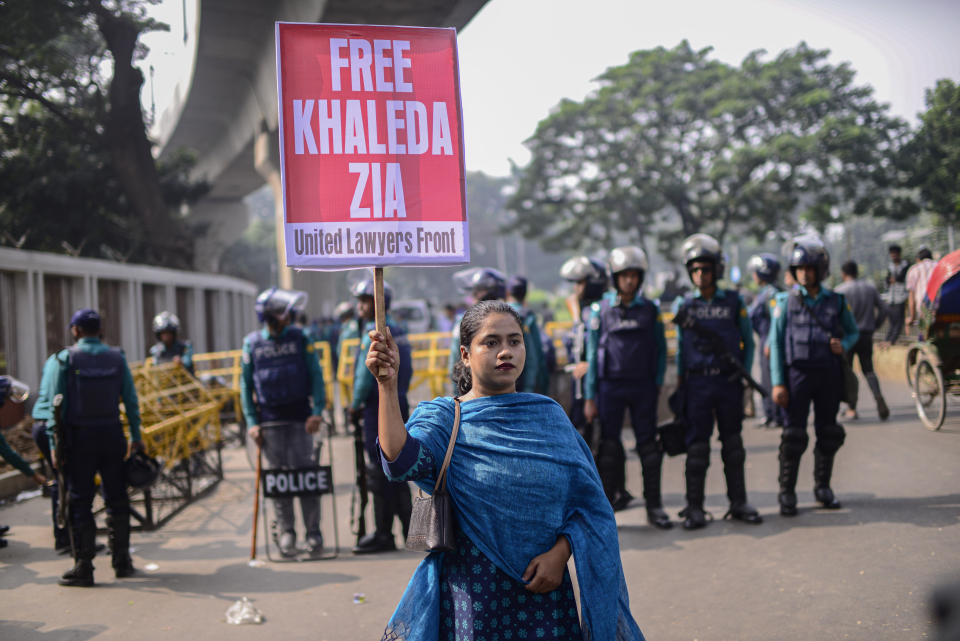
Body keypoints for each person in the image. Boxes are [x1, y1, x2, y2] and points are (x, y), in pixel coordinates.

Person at [365, 300, 646, 641]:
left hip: (546, 598)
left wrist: (561, 554)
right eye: (491, 342)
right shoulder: (444, 420)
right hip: (473, 597)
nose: (505, 352)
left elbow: (589, 507)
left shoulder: (549, 417)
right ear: (466, 355)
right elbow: (400, 461)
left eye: (514, 341)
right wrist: (387, 386)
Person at [673, 234, 762, 529]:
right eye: (695, 270)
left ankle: (738, 502)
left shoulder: (734, 301)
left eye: (706, 270)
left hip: (728, 383)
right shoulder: (683, 304)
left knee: (733, 445)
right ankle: (694, 507)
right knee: (697, 448)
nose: (701, 275)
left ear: (716, 271)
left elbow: (748, 341)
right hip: (697, 385)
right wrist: (681, 383)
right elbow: (681, 348)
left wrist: (744, 373)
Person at [48, 309, 143, 586]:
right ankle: (122, 562)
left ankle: (84, 566)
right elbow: (131, 400)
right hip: (113, 435)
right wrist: (136, 435)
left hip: (80, 440)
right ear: (100, 330)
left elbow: (57, 406)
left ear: (76, 330)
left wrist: (56, 443)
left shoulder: (65, 359)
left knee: (80, 501)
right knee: (117, 498)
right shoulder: (117, 357)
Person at [769, 237, 859, 517]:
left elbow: (853, 331)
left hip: (828, 376)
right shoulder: (785, 302)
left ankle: (823, 488)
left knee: (828, 433)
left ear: (821, 270)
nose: (805, 273)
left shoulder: (837, 301)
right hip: (796, 377)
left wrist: (843, 345)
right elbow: (776, 343)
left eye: (810, 267)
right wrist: (778, 382)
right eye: (800, 268)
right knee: (793, 436)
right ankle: (787, 493)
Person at [583, 247, 670, 527]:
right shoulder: (601, 310)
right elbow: (593, 354)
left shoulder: (650, 309)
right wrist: (589, 396)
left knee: (649, 447)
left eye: (634, 275)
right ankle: (609, 508)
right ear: (615, 278)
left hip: (643, 387)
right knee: (609, 448)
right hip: (610, 388)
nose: (629, 281)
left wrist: (657, 383)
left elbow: (660, 348)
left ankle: (654, 507)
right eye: (624, 276)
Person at [241, 288, 326, 557]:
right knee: (279, 480)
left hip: (302, 422)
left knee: (307, 477)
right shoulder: (251, 344)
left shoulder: (302, 338)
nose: (289, 316)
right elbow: (244, 387)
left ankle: (313, 533)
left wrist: (317, 411)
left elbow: (316, 375)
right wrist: (252, 423)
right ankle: (287, 532)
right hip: (270, 425)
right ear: (270, 317)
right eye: (284, 312)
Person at [348, 278, 414, 554]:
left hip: (377, 408)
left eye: (366, 301)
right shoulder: (400, 331)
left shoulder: (372, 336)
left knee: (378, 472)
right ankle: (411, 529)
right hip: (399, 402)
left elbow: (365, 380)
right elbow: (407, 372)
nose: (361, 306)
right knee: (399, 468)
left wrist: (353, 406)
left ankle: (384, 532)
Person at [559, 255, 608, 444]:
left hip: (598, 385)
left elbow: (607, 346)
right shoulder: (581, 310)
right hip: (579, 387)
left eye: (580, 283)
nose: (575, 289)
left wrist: (589, 365)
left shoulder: (602, 310)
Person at [835, 260, 890, 421]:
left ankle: (851, 408)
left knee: (848, 372)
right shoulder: (870, 288)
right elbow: (884, 309)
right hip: (866, 334)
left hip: (848, 337)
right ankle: (878, 397)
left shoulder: (840, 291)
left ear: (843, 273)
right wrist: (875, 325)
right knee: (869, 370)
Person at [31, 355, 73, 554]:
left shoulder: (54, 359)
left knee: (62, 480)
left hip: (42, 424)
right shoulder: (69, 361)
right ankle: (65, 537)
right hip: (49, 425)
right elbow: (55, 407)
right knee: (64, 481)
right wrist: (54, 443)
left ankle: (66, 536)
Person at [747, 253, 787, 429]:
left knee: (773, 379)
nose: (754, 276)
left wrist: (771, 342)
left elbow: (775, 320)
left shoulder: (772, 293)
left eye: (756, 272)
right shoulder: (763, 293)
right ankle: (769, 414)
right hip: (763, 340)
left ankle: (777, 415)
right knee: (765, 379)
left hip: (769, 342)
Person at [447, 267, 507, 378]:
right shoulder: (512, 318)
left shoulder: (464, 320)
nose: (473, 296)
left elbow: (454, 365)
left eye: (476, 292)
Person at [505, 275, 548, 394]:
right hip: (525, 381)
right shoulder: (528, 316)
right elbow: (536, 353)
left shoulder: (498, 314)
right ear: (525, 294)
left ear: (508, 292)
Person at [905, 247, 937, 334]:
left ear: (918, 259)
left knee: (925, 335)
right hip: (942, 308)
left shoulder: (914, 269)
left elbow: (911, 296)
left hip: (924, 308)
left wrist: (912, 318)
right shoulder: (939, 266)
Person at [884, 245, 910, 344]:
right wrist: (892, 280)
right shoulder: (890, 266)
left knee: (898, 322)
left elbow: (902, 278)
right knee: (892, 322)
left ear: (899, 254)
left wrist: (895, 280)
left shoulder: (905, 265)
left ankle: (891, 341)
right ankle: (887, 341)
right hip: (891, 298)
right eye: (892, 254)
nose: (894, 256)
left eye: (895, 254)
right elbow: (887, 280)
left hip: (901, 297)